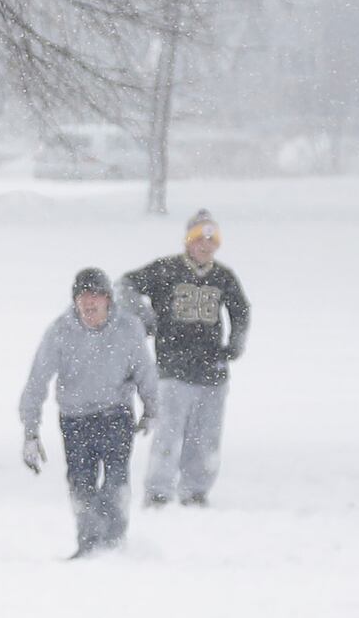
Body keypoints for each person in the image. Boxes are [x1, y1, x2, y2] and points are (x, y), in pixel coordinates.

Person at [18, 268, 158, 557]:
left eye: (96, 296)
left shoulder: (128, 328)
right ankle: (89, 543)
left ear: (108, 299)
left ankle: (114, 542)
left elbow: (146, 371)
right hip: (75, 419)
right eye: (83, 297)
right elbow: (37, 381)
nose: (89, 304)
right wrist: (30, 432)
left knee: (117, 480)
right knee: (81, 482)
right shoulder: (60, 332)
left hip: (116, 414)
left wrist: (151, 409)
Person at [119, 211, 251, 507]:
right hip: (172, 368)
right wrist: (145, 317)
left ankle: (195, 491)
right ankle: (158, 491)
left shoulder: (223, 276)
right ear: (188, 241)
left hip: (211, 369)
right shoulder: (166, 270)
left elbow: (241, 310)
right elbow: (125, 285)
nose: (205, 246)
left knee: (206, 436)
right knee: (167, 432)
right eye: (199, 240)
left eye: (211, 241)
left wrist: (236, 344)